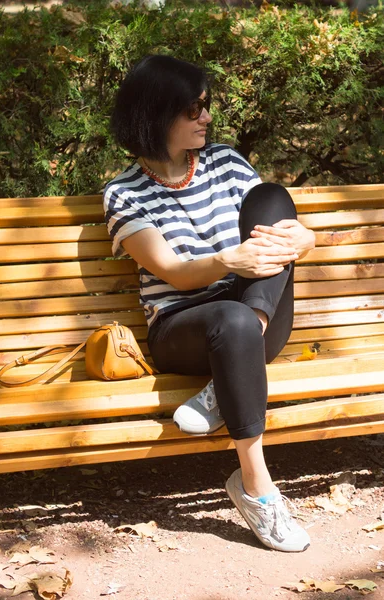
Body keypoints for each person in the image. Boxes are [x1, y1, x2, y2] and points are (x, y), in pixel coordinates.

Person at [104, 54, 316, 553]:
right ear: (156, 115)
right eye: (193, 109)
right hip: (184, 327)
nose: (206, 117)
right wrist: (230, 259)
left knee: (271, 199)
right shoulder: (124, 193)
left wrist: (305, 240)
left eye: (205, 106)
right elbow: (173, 271)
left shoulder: (226, 162)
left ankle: (222, 390)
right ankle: (257, 486)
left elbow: (280, 241)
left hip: (252, 309)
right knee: (233, 318)